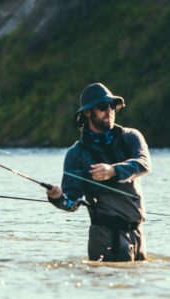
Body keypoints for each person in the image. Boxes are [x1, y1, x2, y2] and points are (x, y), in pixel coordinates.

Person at [46, 82, 151, 261]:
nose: (109, 111)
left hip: (138, 233)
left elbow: (144, 164)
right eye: (103, 107)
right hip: (105, 236)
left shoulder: (130, 137)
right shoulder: (76, 154)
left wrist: (113, 171)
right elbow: (71, 202)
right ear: (87, 112)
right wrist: (56, 198)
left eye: (112, 106)